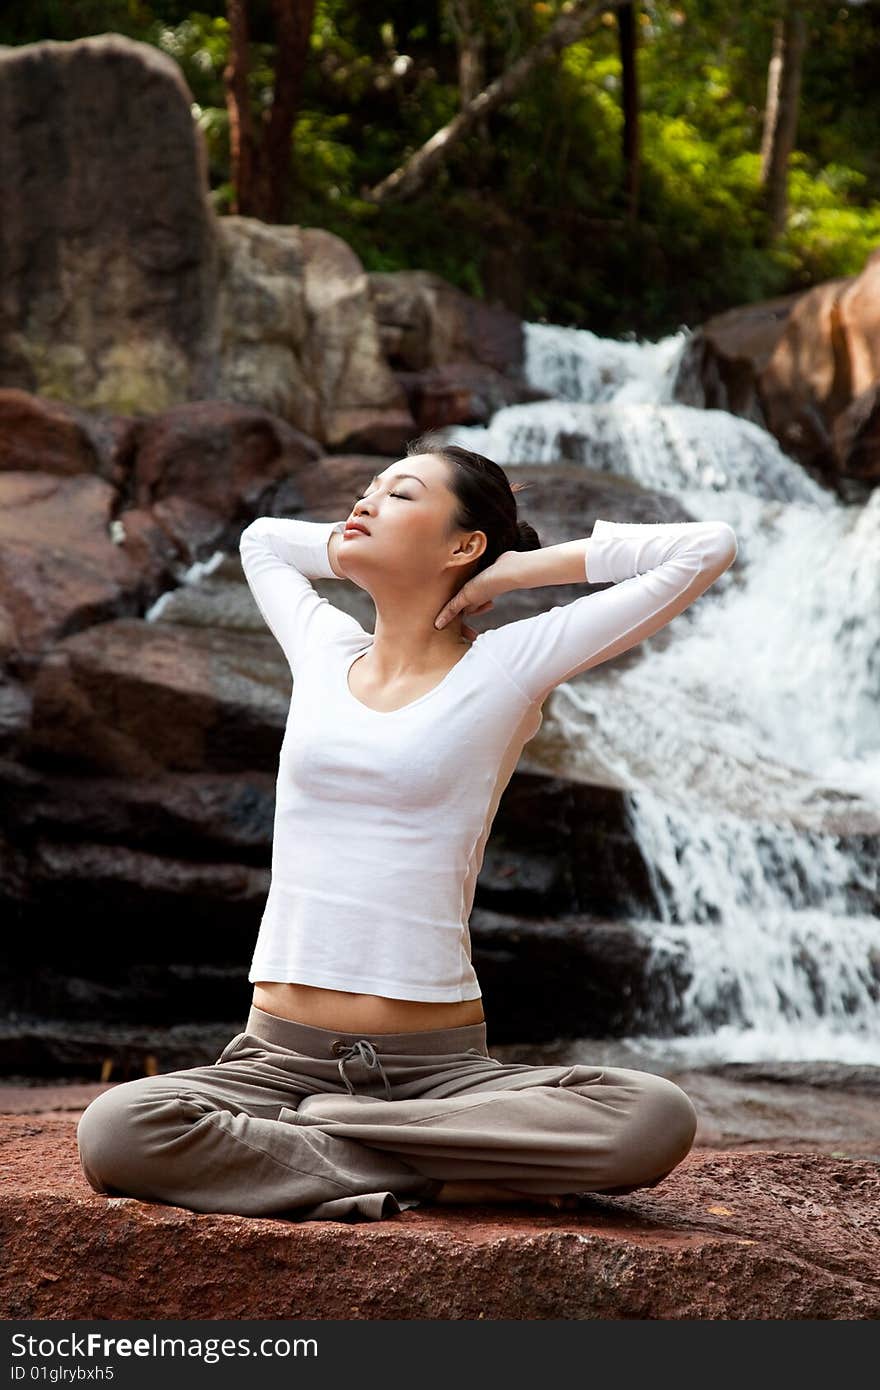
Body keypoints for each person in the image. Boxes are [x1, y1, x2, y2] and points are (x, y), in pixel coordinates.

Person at [76, 434, 738, 1223]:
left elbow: (706, 547)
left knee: (651, 1116)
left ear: (465, 543)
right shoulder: (322, 648)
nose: (365, 501)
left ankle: (326, 1142)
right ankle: (426, 1173)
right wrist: (361, 537)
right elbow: (263, 541)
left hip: (440, 1077)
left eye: (401, 494)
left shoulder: (509, 665)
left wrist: (521, 568)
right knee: (118, 1130)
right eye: (369, 486)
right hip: (273, 1061)